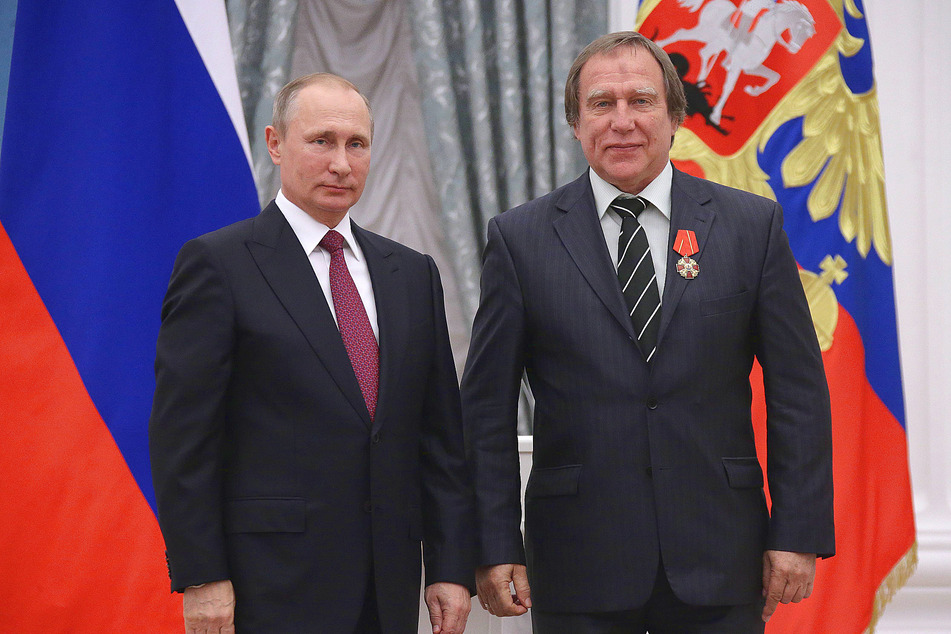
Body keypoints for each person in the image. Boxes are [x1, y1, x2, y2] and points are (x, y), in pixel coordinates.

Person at [461, 32, 834, 633]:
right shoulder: (520, 239)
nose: (622, 122)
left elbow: (798, 393)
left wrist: (797, 530)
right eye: (601, 104)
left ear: (675, 117)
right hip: (576, 562)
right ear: (575, 124)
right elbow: (485, 411)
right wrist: (494, 543)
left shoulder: (749, 226)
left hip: (721, 556)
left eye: (641, 101)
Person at [149, 73, 475, 634]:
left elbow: (439, 438)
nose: (342, 164)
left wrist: (449, 567)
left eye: (357, 144)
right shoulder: (219, 265)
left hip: (390, 590)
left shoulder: (412, 274)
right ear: (276, 143)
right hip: (268, 587)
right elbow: (185, 437)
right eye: (321, 141)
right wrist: (202, 576)